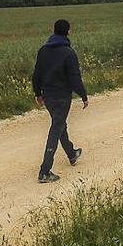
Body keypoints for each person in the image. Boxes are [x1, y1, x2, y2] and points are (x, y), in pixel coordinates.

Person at [32, 18, 88, 182]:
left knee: (59, 123)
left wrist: (38, 93)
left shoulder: (43, 50)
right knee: (56, 127)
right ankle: (45, 171)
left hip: (48, 96)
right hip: (62, 97)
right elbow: (74, 77)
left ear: (53, 30)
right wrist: (83, 95)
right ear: (68, 32)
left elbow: (36, 74)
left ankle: (71, 153)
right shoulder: (68, 53)